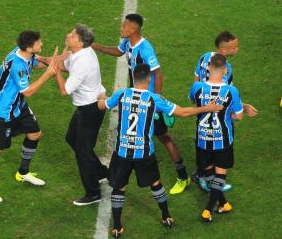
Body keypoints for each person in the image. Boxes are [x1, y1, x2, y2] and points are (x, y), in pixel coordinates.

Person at [98, 64, 223, 238]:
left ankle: (117, 227)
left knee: (119, 187)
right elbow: (183, 112)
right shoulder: (154, 99)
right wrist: (206, 108)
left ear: (133, 77)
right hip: (144, 153)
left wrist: (101, 96)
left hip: (122, 152)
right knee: (155, 184)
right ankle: (166, 216)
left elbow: (101, 105)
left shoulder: (121, 94)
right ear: (149, 79)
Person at [92, 13, 190, 194]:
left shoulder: (145, 49)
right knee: (138, 133)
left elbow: (158, 74)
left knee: (163, 137)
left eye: (124, 26)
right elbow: (118, 51)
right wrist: (95, 46)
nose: (121, 28)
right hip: (137, 96)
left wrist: (156, 101)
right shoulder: (128, 43)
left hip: (148, 100)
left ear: (133, 29)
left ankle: (183, 176)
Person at [0, 30, 57, 202]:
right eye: (38, 43)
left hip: (18, 107)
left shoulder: (21, 53)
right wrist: (48, 74)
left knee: (35, 134)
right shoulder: (17, 65)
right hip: (3, 110)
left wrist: (55, 60)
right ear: (29, 47)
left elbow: (35, 63)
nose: (41, 44)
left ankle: (22, 173)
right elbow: (28, 91)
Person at [192, 31, 258, 192]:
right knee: (219, 143)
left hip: (202, 106)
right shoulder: (226, 68)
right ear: (223, 50)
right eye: (233, 47)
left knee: (203, 141)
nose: (237, 49)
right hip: (218, 111)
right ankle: (209, 180)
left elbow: (195, 79)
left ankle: (202, 174)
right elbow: (226, 94)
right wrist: (243, 107)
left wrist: (199, 97)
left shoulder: (204, 57)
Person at [53, 24, 109, 206]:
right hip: (87, 107)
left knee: (83, 152)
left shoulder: (82, 61)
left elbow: (65, 90)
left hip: (90, 110)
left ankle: (93, 193)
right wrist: (36, 59)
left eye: (72, 35)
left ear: (80, 42)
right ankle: (101, 172)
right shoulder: (81, 54)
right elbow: (64, 64)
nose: (68, 35)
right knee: (72, 138)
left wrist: (55, 70)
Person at [189, 53, 244, 222]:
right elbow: (239, 116)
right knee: (220, 175)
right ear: (225, 70)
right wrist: (228, 115)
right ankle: (209, 209)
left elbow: (194, 103)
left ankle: (223, 204)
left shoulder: (197, 87)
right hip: (223, 139)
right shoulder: (231, 91)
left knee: (208, 173)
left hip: (203, 138)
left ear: (208, 68)